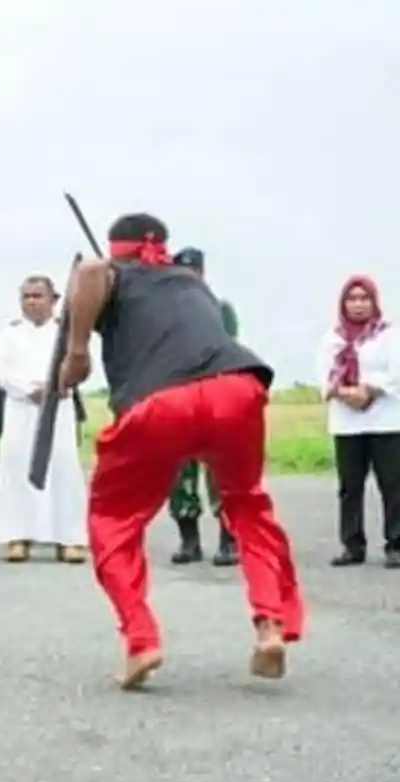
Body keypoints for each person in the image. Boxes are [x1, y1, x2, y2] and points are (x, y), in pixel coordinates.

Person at [58, 212, 303, 689]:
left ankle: (140, 640)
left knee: (113, 520)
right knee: (248, 504)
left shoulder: (111, 273)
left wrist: (78, 351)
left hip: (161, 401)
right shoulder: (191, 283)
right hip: (237, 386)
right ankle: (270, 624)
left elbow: (88, 273)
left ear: (116, 249)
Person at [0, 275, 88, 564]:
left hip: (58, 409)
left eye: (38, 296)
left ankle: (68, 539)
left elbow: (81, 365)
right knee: (17, 468)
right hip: (21, 409)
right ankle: (17, 536)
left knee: (62, 469)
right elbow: (2, 374)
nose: (31, 301)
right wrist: (29, 390)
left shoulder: (67, 334)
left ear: (53, 300)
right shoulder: (9, 333)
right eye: (26, 296)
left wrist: (56, 386)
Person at [316, 275, 400, 568]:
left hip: (386, 421)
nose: (359, 304)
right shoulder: (333, 338)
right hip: (347, 423)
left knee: (393, 485)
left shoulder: (388, 335)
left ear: (374, 302)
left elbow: (395, 372)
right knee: (350, 487)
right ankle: (352, 545)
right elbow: (324, 377)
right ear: (343, 303)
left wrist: (369, 390)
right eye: (352, 299)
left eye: (364, 298)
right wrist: (344, 393)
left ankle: (396, 544)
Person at [167, 247, 240, 567]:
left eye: (193, 271)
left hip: (214, 399)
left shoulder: (219, 309)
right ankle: (189, 541)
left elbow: (223, 349)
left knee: (221, 474)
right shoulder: (161, 314)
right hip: (177, 402)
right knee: (178, 475)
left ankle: (228, 539)